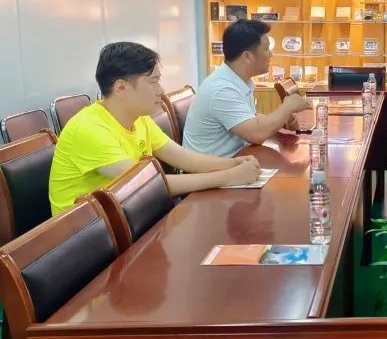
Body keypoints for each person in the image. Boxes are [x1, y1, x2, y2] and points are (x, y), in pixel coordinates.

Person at [48, 42, 261, 215]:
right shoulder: (89, 129)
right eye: (153, 82)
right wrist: (229, 176)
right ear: (121, 87)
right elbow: (146, 185)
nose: (161, 90)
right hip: (89, 237)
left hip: (127, 217)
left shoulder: (139, 119)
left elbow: (185, 159)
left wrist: (233, 164)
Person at [182, 18, 312, 157]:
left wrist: (281, 121)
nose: (271, 54)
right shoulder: (221, 89)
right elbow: (257, 134)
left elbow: (250, 119)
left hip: (234, 161)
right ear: (248, 56)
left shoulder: (239, 80)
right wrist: (288, 107)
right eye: (266, 49)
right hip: (211, 168)